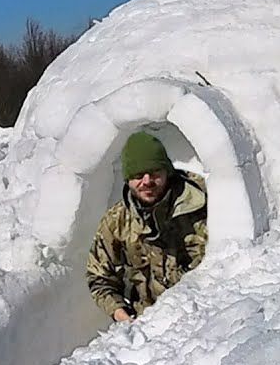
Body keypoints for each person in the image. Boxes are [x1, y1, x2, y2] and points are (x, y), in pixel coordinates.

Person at [86, 131, 208, 321]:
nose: (147, 181)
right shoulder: (116, 222)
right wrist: (121, 313)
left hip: (202, 317)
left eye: (154, 172)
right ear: (127, 179)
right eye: (138, 175)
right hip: (148, 328)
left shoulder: (203, 205)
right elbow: (99, 278)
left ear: (167, 171)